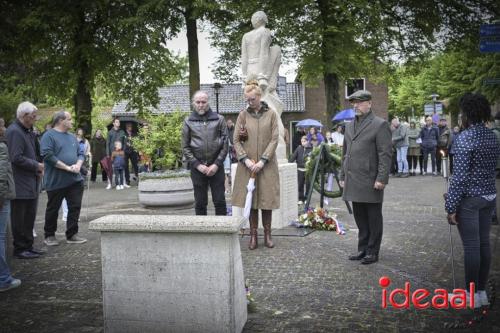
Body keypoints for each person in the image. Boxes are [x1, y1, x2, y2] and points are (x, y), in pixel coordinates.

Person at [445, 93, 500, 307]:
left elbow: (459, 177)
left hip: (470, 199)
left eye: (461, 113)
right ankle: (481, 292)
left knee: (471, 246)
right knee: (484, 243)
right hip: (489, 196)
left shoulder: (465, 138)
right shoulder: (492, 136)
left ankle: (470, 295)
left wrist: (450, 206)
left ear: (466, 114)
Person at [339, 90, 392, 264]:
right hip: (353, 178)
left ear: (369, 103)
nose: (356, 105)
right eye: (354, 102)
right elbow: (345, 152)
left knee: (373, 217)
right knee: (360, 217)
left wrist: (382, 178)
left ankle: (372, 251)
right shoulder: (349, 125)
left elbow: (385, 154)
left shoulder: (379, 124)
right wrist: (342, 174)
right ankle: (362, 249)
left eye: (360, 102)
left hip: (371, 179)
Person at [233, 81, 280, 250]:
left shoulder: (272, 114)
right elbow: (236, 140)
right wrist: (245, 159)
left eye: (252, 99)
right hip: (248, 166)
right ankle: (253, 236)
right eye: (247, 99)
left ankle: (267, 234)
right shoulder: (243, 115)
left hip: (266, 166)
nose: (249, 102)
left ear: (259, 96)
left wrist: (263, 160)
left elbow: (275, 139)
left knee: (266, 200)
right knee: (251, 200)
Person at [41, 111, 87, 246]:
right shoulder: (48, 136)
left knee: (75, 207)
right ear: (61, 120)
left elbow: (80, 153)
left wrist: (78, 164)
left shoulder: (72, 137)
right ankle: (49, 235)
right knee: (53, 209)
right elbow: (48, 156)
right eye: (69, 119)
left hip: (74, 180)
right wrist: (67, 167)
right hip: (56, 180)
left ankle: (72, 234)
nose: (72, 122)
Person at [6, 101, 45, 259]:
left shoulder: (28, 131)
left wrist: (38, 166)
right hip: (20, 182)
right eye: (33, 116)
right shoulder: (15, 131)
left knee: (29, 216)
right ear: (24, 116)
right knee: (20, 218)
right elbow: (16, 157)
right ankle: (20, 248)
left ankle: (28, 246)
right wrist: (36, 165)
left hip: (30, 181)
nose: (36, 119)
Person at [181, 91, 228, 216]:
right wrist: (197, 165)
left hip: (216, 167)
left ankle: (222, 232)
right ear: (193, 103)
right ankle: (202, 231)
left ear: (208, 102)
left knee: (220, 201)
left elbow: (225, 145)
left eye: (203, 102)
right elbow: (185, 147)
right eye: (198, 102)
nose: (201, 105)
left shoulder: (219, 119)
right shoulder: (188, 121)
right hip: (198, 168)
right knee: (200, 203)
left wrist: (217, 164)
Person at [0, 119, 21, 291]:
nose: (4, 128)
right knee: (1, 237)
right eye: (1, 125)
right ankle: (3, 279)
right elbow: (1, 175)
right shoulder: (2, 147)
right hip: (2, 198)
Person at [289, 136, 312, 204]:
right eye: (302, 141)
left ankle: (307, 198)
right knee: (300, 184)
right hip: (300, 169)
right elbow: (293, 157)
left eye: (304, 141)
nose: (303, 143)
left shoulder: (311, 149)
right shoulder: (299, 148)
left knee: (308, 185)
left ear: (307, 141)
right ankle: (300, 198)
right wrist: (289, 162)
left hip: (308, 170)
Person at [106, 118, 126, 189]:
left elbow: (124, 143)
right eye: (117, 122)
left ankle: (122, 183)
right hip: (112, 153)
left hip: (120, 153)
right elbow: (107, 143)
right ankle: (109, 183)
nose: (118, 123)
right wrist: (108, 154)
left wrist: (123, 151)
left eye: (119, 122)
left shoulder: (122, 132)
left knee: (121, 168)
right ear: (113, 123)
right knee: (110, 169)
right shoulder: (110, 132)